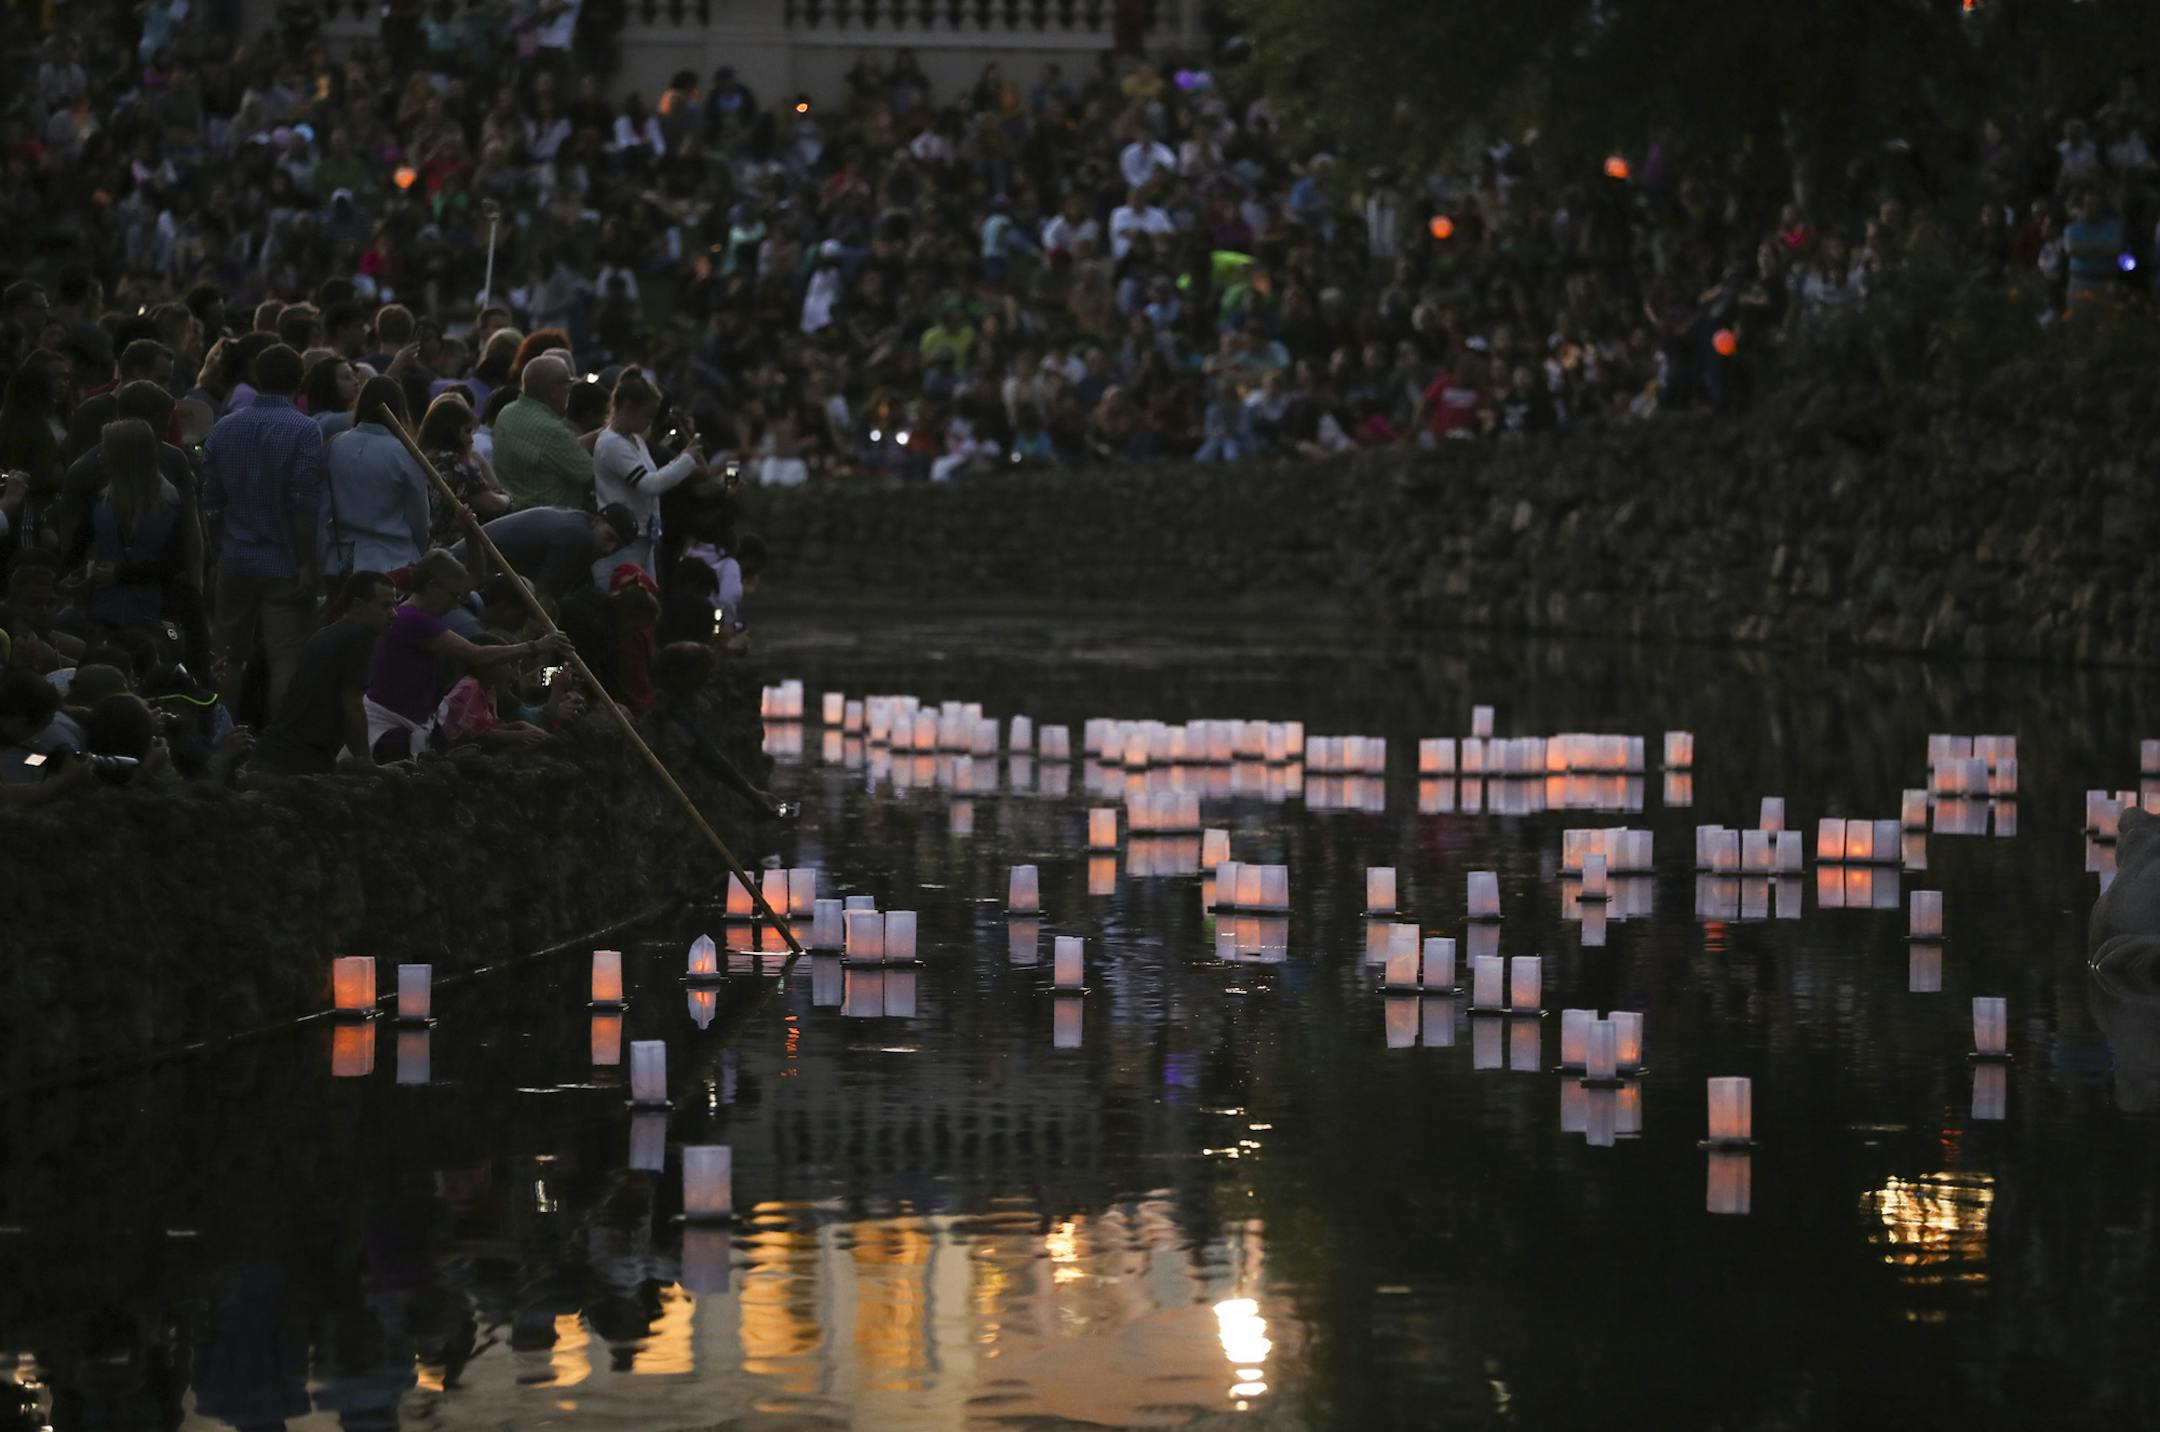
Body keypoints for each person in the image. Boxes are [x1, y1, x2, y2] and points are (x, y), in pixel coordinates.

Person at [201, 342, 325, 719]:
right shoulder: (305, 430)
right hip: (285, 562)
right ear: (300, 380)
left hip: (236, 557)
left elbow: (210, 500)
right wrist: (307, 563)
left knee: (227, 657)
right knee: (286, 658)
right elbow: (304, 503)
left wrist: (219, 549)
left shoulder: (224, 427)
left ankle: (220, 735)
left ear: (256, 376)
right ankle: (278, 745)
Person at [363, 549, 566, 758]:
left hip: (410, 723)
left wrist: (470, 531)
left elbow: (475, 576)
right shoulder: (413, 619)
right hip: (389, 727)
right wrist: (536, 646)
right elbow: (479, 655)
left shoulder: (419, 615)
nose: (455, 605)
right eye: (453, 596)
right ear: (433, 587)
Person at [252, 569, 397, 773]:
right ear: (357, 605)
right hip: (296, 760)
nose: (394, 613)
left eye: (394, 605)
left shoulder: (326, 633)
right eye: (385, 606)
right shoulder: (359, 636)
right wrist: (367, 765)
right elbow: (352, 705)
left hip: (278, 754)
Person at [68, 418, 199, 640]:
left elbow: (174, 564)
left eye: (106, 449)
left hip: (154, 617)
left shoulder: (169, 506)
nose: (100, 456)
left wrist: (121, 574)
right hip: (102, 613)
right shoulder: (99, 502)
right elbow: (78, 548)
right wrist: (70, 577)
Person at [592, 368, 702, 579]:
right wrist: (686, 459)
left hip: (644, 536)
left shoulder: (635, 440)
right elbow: (651, 484)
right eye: (647, 416)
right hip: (623, 540)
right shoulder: (612, 444)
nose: (649, 423)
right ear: (629, 408)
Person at [320, 377, 430, 580]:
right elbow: (419, 517)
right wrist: (421, 550)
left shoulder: (335, 445)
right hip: (392, 560)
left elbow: (323, 508)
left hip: (340, 559)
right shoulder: (405, 454)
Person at [450, 502, 636, 601]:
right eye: (610, 537)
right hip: (460, 576)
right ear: (597, 521)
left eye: (617, 547)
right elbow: (541, 598)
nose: (609, 549)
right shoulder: (579, 537)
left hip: (464, 567)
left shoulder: (577, 521)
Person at [491, 354, 595, 510]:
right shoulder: (551, 430)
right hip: (555, 521)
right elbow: (592, 475)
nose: (569, 393)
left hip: (513, 514)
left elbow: (560, 451)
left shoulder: (507, 413)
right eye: (568, 386)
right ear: (554, 391)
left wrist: (602, 433)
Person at [419, 393, 510, 548]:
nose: (472, 439)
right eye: (467, 431)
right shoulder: (454, 464)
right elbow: (492, 505)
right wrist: (507, 498)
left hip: (426, 546)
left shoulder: (424, 458)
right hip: (457, 548)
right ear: (452, 432)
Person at [434, 633, 551, 747]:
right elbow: (477, 733)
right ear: (483, 663)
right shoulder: (468, 687)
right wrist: (519, 735)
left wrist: (519, 726)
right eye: (503, 662)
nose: (509, 668)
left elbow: (491, 727)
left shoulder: (489, 690)